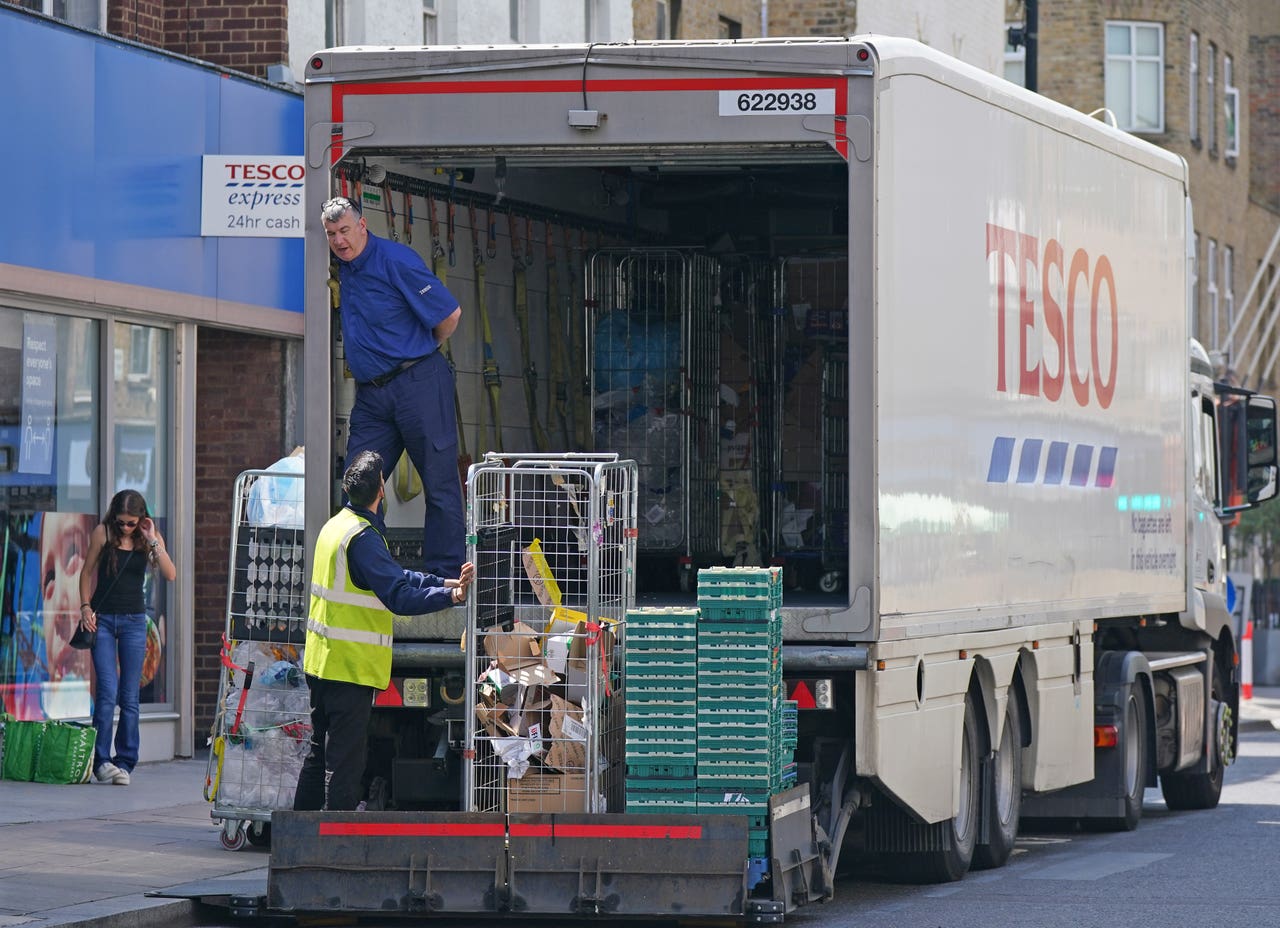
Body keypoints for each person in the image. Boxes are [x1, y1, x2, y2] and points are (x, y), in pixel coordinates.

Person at [295, 450, 475, 812]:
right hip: (349, 669)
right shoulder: (362, 538)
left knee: (317, 756)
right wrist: (452, 596)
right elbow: (398, 595)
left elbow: (395, 575)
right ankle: (333, 848)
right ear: (381, 491)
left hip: (322, 663)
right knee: (345, 766)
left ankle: (295, 841)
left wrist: (443, 582)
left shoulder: (337, 526)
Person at [323, 195, 465, 578]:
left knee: (440, 485)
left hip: (419, 381)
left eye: (345, 231)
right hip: (371, 393)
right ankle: (370, 574)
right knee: (358, 484)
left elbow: (449, 314)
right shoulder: (339, 266)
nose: (339, 240)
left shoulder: (395, 260)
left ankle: (445, 581)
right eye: (331, 233)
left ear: (363, 225)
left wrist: (421, 351)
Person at [77, 490, 177, 786]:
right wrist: (85, 608)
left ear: (141, 518)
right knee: (107, 692)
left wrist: (152, 537)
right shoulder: (102, 533)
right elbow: (85, 574)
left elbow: (170, 574)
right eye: (121, 522)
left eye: (131, 523)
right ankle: (101, 761)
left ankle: (125, 762)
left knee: (129, 696)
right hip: (103, 621)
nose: (125, 528)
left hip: (135, 621)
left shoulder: (147, 537)